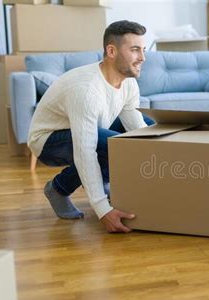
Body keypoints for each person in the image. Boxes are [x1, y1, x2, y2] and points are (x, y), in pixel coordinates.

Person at [28, 20, 154, 233]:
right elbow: (85, 151)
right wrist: (102, 209)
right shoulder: (86, 89)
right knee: (110, 145)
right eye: (134, 50)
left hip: (88, 128)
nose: (142, 57)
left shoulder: (128, 82)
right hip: (47, 140)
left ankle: (104, 180)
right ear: (111, 51)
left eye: (143, 50)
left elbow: (138, 129)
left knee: (150, 127)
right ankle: (58, 189)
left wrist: (165, 150)